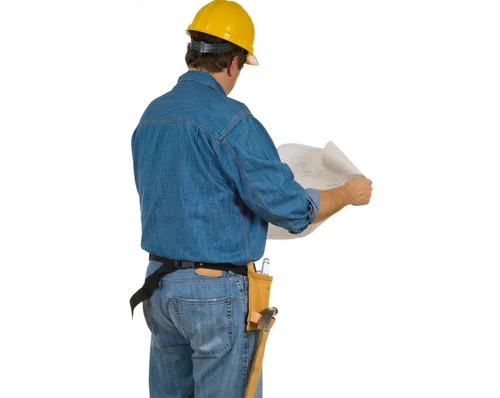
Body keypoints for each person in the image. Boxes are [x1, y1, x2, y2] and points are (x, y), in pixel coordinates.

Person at [130, 1, 373, 397]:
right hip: (214, 296)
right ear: (234, 63)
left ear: (191, 51)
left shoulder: (152, 115)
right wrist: (347, 193)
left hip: (159, 288)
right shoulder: (232, 120)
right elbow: (293, 211)